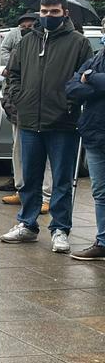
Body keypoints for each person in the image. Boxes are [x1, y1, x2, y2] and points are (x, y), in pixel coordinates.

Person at [1, 0, 94, 253]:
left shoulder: (79, 43)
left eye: (53, 12)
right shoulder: (28, 41)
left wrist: (69, 105)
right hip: (30, 120)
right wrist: (18, 100)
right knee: (29, 177)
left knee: (62, 181)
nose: (47, 16)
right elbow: (14, 74)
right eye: (44, 11)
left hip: (63, 123)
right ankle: (27, 225)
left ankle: (60, 229)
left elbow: (84, 78)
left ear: (65, 13)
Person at [68, 42, 105, 260]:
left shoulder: (92, 67)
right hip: (94, 134)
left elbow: (84, 80)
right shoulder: (97, 58)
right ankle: (102, 241)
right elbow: (72, 87)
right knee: (100, 192)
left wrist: (89, 78)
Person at [0, 12, 39, 195]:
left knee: (35, 151)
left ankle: (40, 192)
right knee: (18, 146)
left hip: (37, 106)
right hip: (17, 103)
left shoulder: (39, 43)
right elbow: (4, 55)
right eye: (23, 26)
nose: (25, 29)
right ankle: (19, 184)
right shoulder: (14, 38)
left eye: (29, 26)